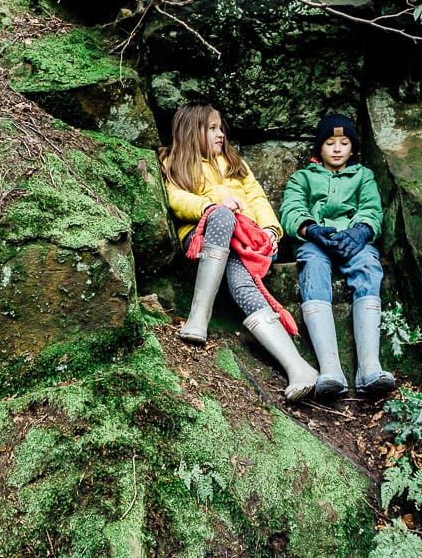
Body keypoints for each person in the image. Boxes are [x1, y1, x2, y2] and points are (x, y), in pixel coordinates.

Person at [159, 102, 319, 401]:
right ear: (191, 131)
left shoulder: (234, 162)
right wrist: (210, 206)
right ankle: (198, 318)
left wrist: (271, 230)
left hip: (241, 245)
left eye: (221, 128)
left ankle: (298, 368)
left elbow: (257, 198)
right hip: (202, 236)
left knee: (242, 283)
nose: (221, 134)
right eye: (212, 128)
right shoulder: (173, 161)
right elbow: (176, 199)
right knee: (222, 215)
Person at [279, 113, 396, 399]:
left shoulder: (363, 176)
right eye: (330, 142)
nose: (336, 148)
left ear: (352, 149)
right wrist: (311, 230)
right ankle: (331, 369)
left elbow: (372, 208)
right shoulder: (302, 177)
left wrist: (360, 233)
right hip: (317, 241)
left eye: (344, 143)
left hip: (354, 241)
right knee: (313, 269)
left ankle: (369, 368)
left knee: (368, 266)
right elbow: (291, 209)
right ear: (319, 147)